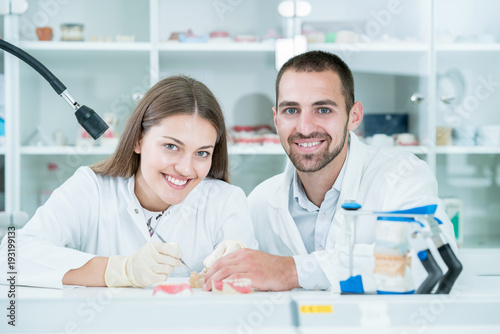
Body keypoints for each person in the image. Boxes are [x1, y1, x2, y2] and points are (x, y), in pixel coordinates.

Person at [203, 50, 457, 292]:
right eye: (291, 110)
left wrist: (291, 271)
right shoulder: (260, 201)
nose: (304, 127)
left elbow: (433, 259)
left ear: (354, 116)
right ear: (276, 119)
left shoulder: (401, 176)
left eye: (323, 110)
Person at [0, 75, 257, 289]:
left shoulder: (225, 201)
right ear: (138, 140)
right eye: (171, 146)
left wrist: (242, 270)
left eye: (202, 153)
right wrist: (119, 270)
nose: (186, 168)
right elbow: (10, 258)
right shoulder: (92, 189)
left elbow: (246, 294)